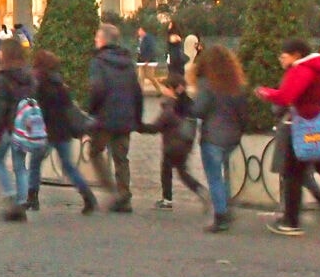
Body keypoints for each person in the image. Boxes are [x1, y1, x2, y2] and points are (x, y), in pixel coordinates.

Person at [257, 38, 320, 239]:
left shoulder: (302, 70)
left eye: (284, 55)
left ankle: (291, 221)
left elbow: (286, 97)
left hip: (311, 128)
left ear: (296, 55)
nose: (281, 59)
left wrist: (265, 92)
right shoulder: (319, 68)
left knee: (295, 173)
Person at [26, 50, 97, 214]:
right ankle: (88, 196)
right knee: (68, 166)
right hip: (63, 132)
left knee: (35, 162)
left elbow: (36, 108)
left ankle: (33, 197)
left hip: (45, 131)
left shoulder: (38, 84)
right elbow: (68, 109)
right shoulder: (60, 85)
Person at [189, 46, 247, 232]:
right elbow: (242, 113)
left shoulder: (207, 84)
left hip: (212, 136)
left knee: (214, 178)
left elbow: (198, 110)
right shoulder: (236, 84)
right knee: (227, 175)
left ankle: (220, 215)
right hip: (232, 136)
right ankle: (227, 208)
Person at [86, 23, 143, 212]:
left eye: (96, 37)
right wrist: (138, 117)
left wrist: (91, 111)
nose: (95, 40)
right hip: (125, 116)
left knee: (95, 152)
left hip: (105, 117)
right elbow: (137, 91)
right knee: (121, 158)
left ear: (102, 40)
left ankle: (111, 189)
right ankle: (124, 196)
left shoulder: (98, 62)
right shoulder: (127, 62)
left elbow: (97, 89)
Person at [140, 73, 207, 212]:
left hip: (172, 145)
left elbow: (156, 127)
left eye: (166, 87)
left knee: (166, 170)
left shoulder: (170, 108)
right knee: (182, 172)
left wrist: (139, 126)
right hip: (185, 144)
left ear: (172, 89)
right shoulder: (188, 104)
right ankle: (201, 191)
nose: (164, 90)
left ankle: (167, 200)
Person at [0, 39, 35, 221]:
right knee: (20, 166)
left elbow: (0, 109)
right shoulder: (29, 75)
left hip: (8, 126)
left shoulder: (3, 76)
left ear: (6, 53)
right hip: (24, 126)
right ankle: (22, 202)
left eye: (0, 50)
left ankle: (9, 193)